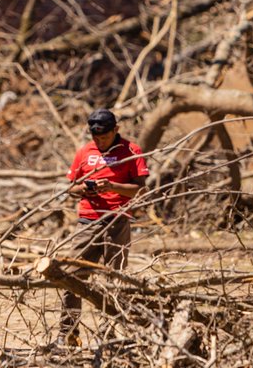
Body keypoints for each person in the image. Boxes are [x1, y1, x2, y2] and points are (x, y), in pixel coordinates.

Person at [57, 108, 149, 346]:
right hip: (87, 221)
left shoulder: (131, 151)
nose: (100, 141)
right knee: (70, 276)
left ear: (116, 130)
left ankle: (111, 335)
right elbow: (70, 188)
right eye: (96, 137)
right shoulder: (85, 151)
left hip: (117, 221)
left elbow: (141, 189)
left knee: (114, 280)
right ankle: (67, 334)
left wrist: (113, 187)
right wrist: (84, 190)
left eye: (105, 137)